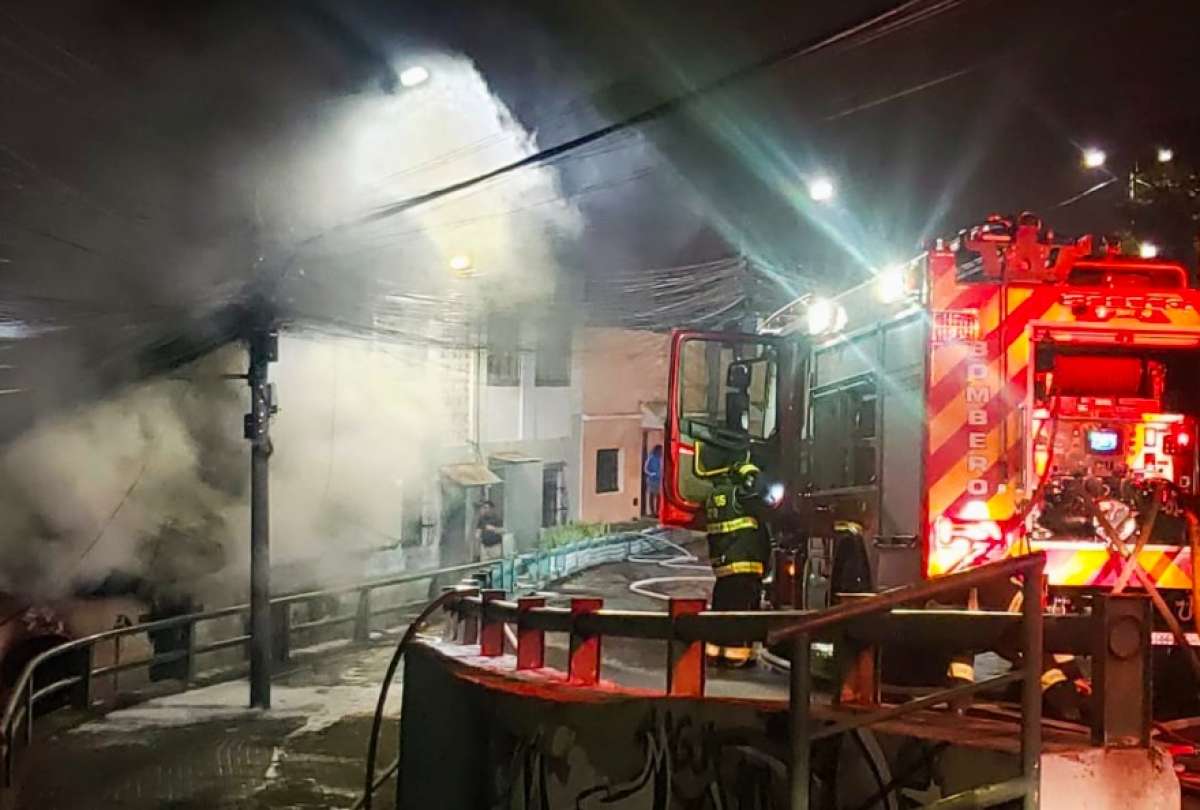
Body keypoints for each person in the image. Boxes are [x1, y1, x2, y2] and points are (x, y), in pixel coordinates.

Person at [703, 457, 771, 667]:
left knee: (721, 611)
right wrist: (752, 471)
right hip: (744, 565)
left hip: (724, 568)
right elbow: (762, 493)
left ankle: (715, 654)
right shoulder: (739, 495)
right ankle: (736, 657)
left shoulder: (714, 497)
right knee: (741, 614)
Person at [644, 444, 663, 517]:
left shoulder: (662, 458)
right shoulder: (651, 458)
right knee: (652, 495)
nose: (661, 451)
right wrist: (651, 474)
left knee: (659, 496)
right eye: (660, 450)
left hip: (659, 479)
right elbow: (646, 469)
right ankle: (652, 512)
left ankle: (658, 511)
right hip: (652, 479)